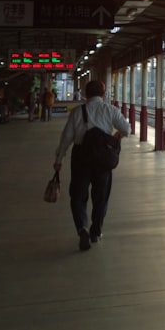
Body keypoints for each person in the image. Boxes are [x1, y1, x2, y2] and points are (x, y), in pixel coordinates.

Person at [53, 80, 130, 251]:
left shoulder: (77, 112)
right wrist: (115, 137)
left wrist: (59, 160)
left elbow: (66, 138)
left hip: (81, 157)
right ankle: (96, 232)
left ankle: (82, 229)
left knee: (78, 196)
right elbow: (126, 129)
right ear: (103, 94)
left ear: (85, 95)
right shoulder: (110, 110)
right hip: (103, 159)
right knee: (101, 196)